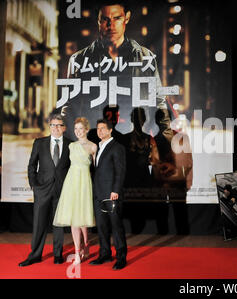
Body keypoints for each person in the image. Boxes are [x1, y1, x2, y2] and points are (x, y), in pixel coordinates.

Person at [63, 0, 172, 143]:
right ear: (98, 20)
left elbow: (158, 104)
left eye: (117, 18)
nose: (111, 25)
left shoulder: (145, 58)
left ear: (126, 18)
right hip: (96, 147)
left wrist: (166, 145)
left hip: (135, 146)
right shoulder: (79, 60)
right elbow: (70, 108)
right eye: (105, 19)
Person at [19, 114, 73, 267]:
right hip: (42, 189)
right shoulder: (39, 143)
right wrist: (34, 185)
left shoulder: (71, 144)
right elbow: (31, 165)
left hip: (62, 190)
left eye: (59, 125)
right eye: (53, 125)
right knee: (38, 223)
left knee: (59, 224)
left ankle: (57, 254)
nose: (56, 128)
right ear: (49, 127)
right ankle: (35, 255)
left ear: (64, 127)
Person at [53, 117, 97, 265]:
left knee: (83, 217)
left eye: (80, 128)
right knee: (73, 219)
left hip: (85, 182)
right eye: (75, 129)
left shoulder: (93, 147)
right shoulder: (71, 146)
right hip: (71, 183)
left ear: (86, 129)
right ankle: (77, 252)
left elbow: (96, 169)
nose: (78, 131)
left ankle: (86, 243)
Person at [89, 119, 127, 270]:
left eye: (103, 128)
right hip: (98, 193)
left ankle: (121, 257)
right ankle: (104, 254)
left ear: (110, 130)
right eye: (98, 129)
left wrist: (115, 190)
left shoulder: (117, 147)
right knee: (102, 226)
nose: (100, 131)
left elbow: (120, 171)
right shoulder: (98, 147)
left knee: (116, 226)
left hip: (111, 194)